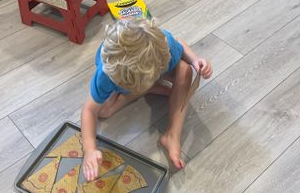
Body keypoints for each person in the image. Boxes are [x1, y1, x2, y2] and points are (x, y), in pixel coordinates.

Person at [81, 18, 212, 181]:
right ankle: (152, 89)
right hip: (127, 75)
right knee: (104, 111)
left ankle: (172, 135)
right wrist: (90, 150)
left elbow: (179, 43)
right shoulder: (107, 75)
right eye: (143, 86)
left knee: (185, 70)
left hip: (152, 70)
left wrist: (195, 60)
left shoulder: (164, 46)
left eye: (145, 85)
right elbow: (89, 110)